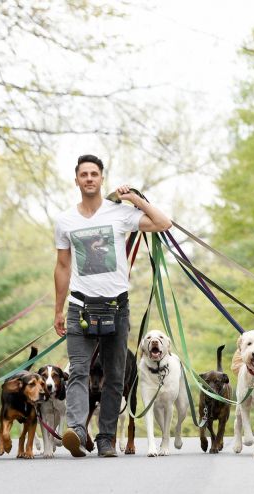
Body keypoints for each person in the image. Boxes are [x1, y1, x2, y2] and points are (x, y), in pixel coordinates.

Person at [53, 154, 171, 457]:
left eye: (94, 174)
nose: (89, 178)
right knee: (78, 371)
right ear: (76, 180)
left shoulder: (119, 213)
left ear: (101, 178)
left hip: (116, 307)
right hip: (80, 307)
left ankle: (106, 438)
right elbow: (63, 266)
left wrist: (135, 199)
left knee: (115, 375)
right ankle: (77, 431)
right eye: (84, 174)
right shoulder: (65, 220)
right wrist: (58, 310)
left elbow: (163, 223)